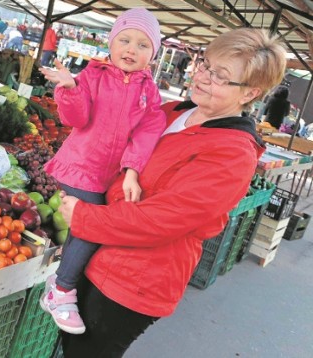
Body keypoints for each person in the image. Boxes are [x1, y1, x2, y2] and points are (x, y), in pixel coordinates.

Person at [55, 27, 286, 356]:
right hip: (99, 252)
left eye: (220, 76)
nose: (203, 77)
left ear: (249, 93)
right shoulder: (176, 110)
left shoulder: (233, 153)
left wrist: (84, 216)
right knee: (69, 345)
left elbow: (162, 219)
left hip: (134, 280)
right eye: (205, 65)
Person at [37, 8, 166, 334]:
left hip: (110, 176)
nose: (131, 50)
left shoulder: (149, 92)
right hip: (81, 166)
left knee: (95, 228)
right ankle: (62, 289)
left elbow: (147, 134)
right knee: (89, 227)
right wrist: (70, 88)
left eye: (142, 45)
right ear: (111, 43)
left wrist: (133, 171)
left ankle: (60, 278)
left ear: (153, 54)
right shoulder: (92, 76)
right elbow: (75, 119)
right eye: (125, 40)